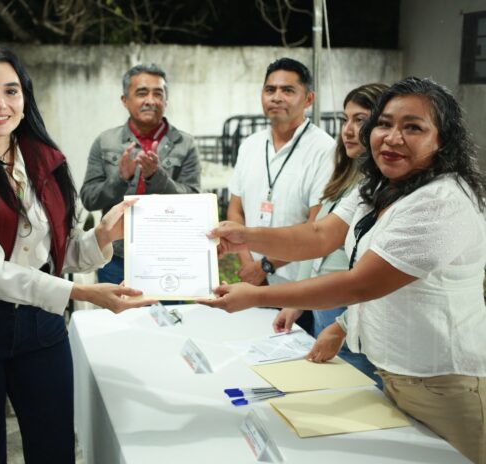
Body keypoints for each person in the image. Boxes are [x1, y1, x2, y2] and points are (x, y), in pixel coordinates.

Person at [199, 77, 486, 463]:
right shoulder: (378, 185)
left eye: (413, 127)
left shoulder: (441, 201)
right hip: (395, 376)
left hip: (447, 384)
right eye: (384, 124)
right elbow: (320, 234)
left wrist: (258, 296)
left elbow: (358, 285)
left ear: (442, 140)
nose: (392, 137)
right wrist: (246, 236)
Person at [0, 45, 154, 464]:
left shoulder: (46, 160)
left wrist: (104, 234)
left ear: (25, 98)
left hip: (42, 325)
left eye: (11, 90)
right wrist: (84, 295)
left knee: (55, 448)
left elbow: (61, 253)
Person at [274, 83, 388, 385]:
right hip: (325, 304)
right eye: (345, 119)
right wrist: (297, 300)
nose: (348, 130)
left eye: (360, 120)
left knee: (359, 393)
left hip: (352, 313)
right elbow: (316, 241)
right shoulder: (344, 175)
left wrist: (342, 326)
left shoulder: (385, 187)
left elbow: (379, 278)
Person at [227, 57, 335, 333]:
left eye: (287, 90)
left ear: (308, 98)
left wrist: (265, 265)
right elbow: (235, 210)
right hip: (253, 284)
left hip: (300, 290)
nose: (276, 97)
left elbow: (317, 227)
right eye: (270, 90)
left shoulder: (325, 150)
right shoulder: (250, 146)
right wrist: (250, 265)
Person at [80, 63, 201, 284]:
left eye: (158, 93)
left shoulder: (185, 143)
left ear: (166, 100)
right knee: (117, 318)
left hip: (169, 257)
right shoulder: (106, 141)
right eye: (142, 93)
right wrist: (120, 179)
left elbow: (194, 201)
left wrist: (157, 177)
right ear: (125, 100)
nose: (150, 100)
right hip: (115, 257)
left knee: (172, 318)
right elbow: (89, 199)